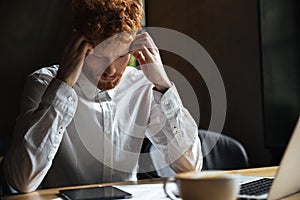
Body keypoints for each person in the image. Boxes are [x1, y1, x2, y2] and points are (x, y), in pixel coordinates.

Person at [3, 0, 202, 193]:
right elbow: (22, 181)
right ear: (77, 44)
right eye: (99, 57)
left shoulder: (144, 87)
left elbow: (190, 167)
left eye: (122, 55)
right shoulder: (43, 85)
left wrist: (164, 87)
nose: (111, 70)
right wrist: (62, 87)